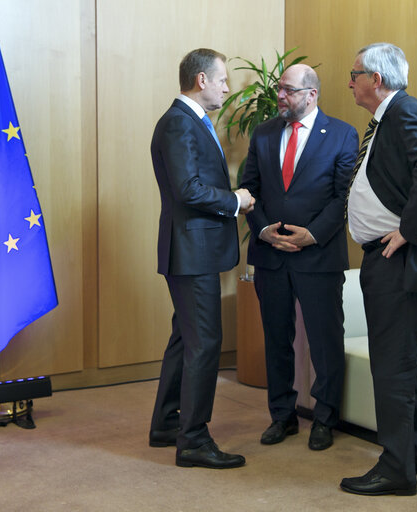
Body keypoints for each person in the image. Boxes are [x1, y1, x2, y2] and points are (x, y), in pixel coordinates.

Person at [340, 42, 417, 496]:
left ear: (377, 78)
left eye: (354, 74)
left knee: (391, 367)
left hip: (400, 259)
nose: (349, 82)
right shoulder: (386, 117)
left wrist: (408, 231)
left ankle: (396, 469)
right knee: (400, 364)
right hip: (385, 258)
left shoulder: (405, 109)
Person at [239, 64, 358, 451]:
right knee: (276, 338)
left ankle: (324, 418)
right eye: (279, 90)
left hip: (318, 256)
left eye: (288, 90)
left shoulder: (342, 134)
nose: (280, 97)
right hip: (271, 253)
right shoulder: (264, 132)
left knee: (325, 341)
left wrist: (314, 235)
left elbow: (344, 196)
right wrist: (261, 229)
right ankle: (282, 416)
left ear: (312, 94)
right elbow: (248, 188)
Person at [148, 48, 254, 469]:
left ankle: (166, 424)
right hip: (192, 253)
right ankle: (192, 440)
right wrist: (235, 200)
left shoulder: (191, 121)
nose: (228, 87)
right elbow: (188, 190)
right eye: (223, 80)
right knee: (205, 344)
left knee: (185, 339)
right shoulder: (179, 123)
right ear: (202, 81)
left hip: (195, 250)